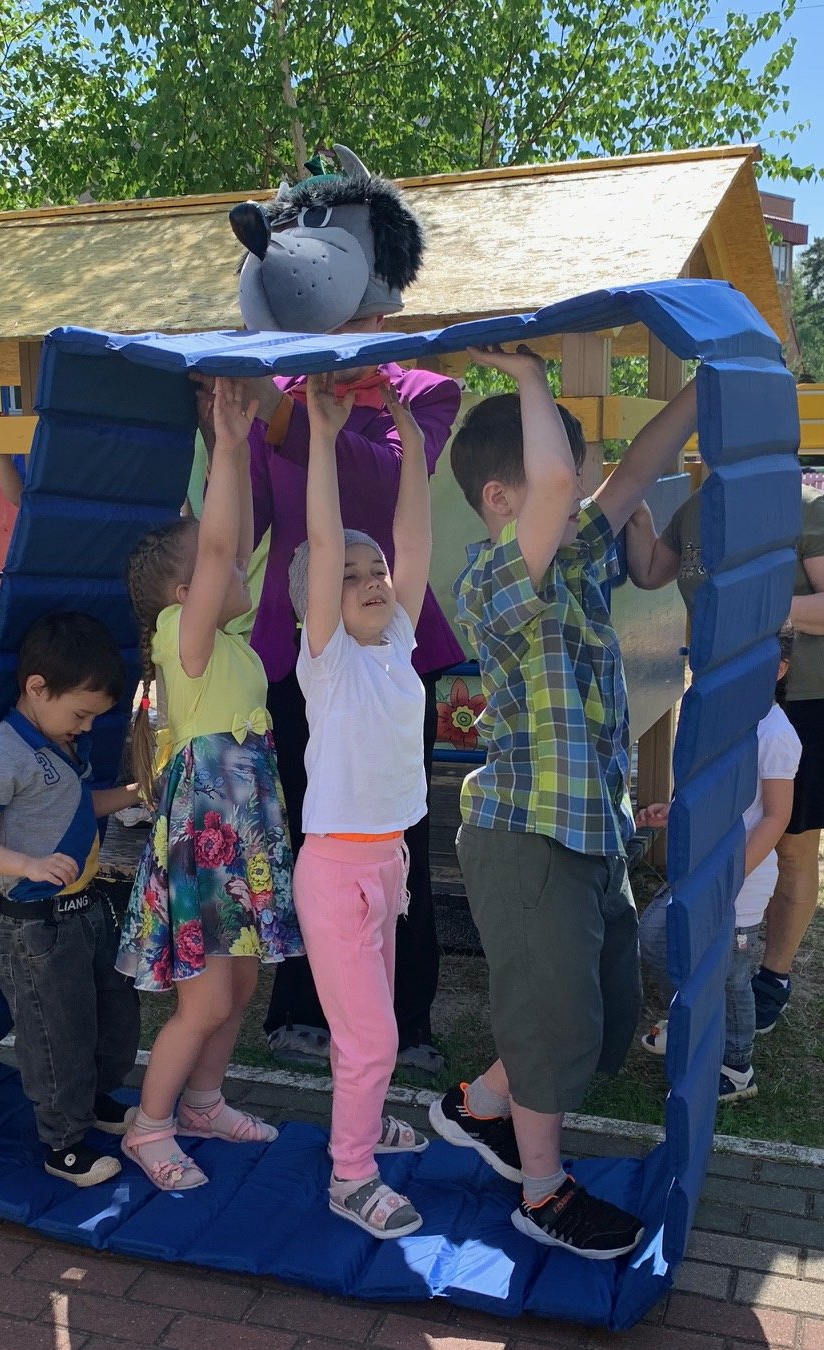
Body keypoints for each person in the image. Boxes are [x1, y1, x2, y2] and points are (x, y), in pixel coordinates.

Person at [428, 345, 699, 1260]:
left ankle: (481, 1104)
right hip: (525, 830)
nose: (579, 490)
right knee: (555, 1022)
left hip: (589, 828)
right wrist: (529, 378)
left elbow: (640, 467)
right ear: (501, 499)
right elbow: (554, 483)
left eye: (579, 478)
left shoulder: (576, 551)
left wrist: (702, 390)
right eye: (562, 478)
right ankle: (540, 1194)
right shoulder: (494, 578)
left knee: (605, 1013)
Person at [228, 146, 463, 1079]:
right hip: (299, 652)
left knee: (400, 832)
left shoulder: (426, 393)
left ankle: (408, 1015)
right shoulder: (277, 395)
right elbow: (248, 523)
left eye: (362, 313)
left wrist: (289, 420)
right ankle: (303, 1006)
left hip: (393, 645)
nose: (348, 329)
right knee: (304, 830)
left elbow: (385, 488)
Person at [116, 377, 303, 1188]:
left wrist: (237, 442)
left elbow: (236, 539)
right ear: (185, 595)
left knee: (241, 984)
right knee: (204, 1003)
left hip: (245, 839)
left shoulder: (227, 640)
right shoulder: (180, 637)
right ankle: (150, 1125)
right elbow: (223, 545)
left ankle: (202, 1103)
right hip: (206, 842)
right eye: (214, 563)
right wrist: (226, 447)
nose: (236, 561)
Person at [632, 484, 824, 1036]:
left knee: (792, 845)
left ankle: (772, 977)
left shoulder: (806, 508)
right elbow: (648, 572)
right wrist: (633, 509)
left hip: (803, 697)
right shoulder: (697, 507)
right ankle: (714, 966)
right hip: (719, 697)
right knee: (720, 826)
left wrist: (749, 605)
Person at [290, 373, 436, 1237]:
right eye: (350, 577)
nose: (373, 578)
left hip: (387, 863)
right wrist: (322, 436)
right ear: (320, 602)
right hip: (338, 873)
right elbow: (321, 538)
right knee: (372, 1037)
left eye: (374, 568)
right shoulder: (331, 658)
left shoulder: (398, 642)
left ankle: (366, 1120)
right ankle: (351, 1176)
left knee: (370, 1027)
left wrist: (412, 443)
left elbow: (412, 539)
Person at [0, 612, 141, 1188]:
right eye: (80, 714)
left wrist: (139, 793)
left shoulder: (56, 740)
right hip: (33, 926)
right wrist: (30, 866)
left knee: (113, 1015)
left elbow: (78, 806)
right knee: (55, 1035)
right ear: (37, 688)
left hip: (86, 910)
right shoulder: (2, 754)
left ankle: (95, 1101)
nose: (86, 727)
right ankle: (62, 1144)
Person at [636, 629, 801, 1103]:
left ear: (780, 670)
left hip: (740, 878)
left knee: (730, 974)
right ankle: (693, 1019)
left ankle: (735, 1067)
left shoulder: (775, 734)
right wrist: (676, 814)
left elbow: (775, 817)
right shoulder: (724, 721)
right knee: (658, 939)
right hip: (703, 869)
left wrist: (732, 874)